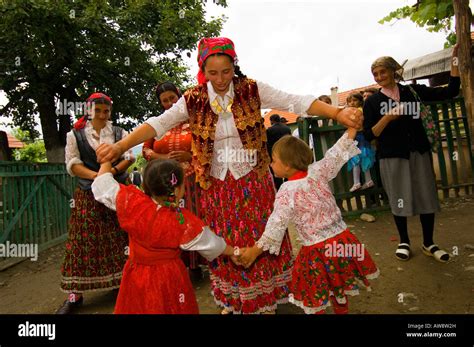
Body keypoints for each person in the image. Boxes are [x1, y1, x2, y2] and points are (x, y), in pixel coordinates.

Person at [96, 37, 363, 314]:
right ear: (203, 70)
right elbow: (157, 124)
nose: (221, 79)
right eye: (213, 73)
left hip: (254, 181)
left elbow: (294, 101)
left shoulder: (252, 89)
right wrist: (119, 146)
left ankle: (270, 295)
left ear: (234, 66)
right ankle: (237, 298)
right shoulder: (192, 99)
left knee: (264, 232)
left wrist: (337, 111)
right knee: (226, 240)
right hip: (216, 186)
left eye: (226, 71)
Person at [238, 129, 379, 314]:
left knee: (316, 293)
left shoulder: (286, 191)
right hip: (342, 241)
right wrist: (352, 130)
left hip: (316, 251)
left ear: (287, 165)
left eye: (273, 160)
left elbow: (276, 225)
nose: (271, 164)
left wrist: (254, 251)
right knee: (339, 284)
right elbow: (336, 154)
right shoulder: (318, 171)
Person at [92, 159, 237, 313]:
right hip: (169, 278)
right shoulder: (182, 221)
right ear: (177, 190)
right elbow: (211, 243)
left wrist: (105, 161)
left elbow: (103, 185)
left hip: (136, 275)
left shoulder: (133, 203)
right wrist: (234, 252)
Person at [363, 47, 460, 262]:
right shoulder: (371, 102)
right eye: (375, 74)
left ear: (394, 71)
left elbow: (451, 91)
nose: (379, 77)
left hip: (419, 152)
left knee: (426, 195)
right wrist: (387, 118)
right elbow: (369, 134)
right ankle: (404, 241)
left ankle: (429, 243)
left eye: (382, 72)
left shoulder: (413, 92)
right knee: (399, 198)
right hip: (391, 156)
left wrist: (455, 61)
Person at [57, 92, 134, 314]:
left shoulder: (119, 133)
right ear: (88, 111)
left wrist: (112, 172)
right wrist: (97, 177)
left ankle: (120, 284)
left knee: (120, 237)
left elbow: (129, 156)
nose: (101, 115)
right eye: (97, 110)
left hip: (117, 190)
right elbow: (72, 164)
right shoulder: (75, 135)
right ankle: (74, 296)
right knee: (80, 242)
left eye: (105, 111)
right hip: (87, 193)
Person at [142, 81, 204, 277]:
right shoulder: (157, 123)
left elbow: (207, 147)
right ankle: (173, 263)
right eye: (164, 100)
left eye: (172, 98)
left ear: (179, 97)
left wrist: (190, 157)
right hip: (163, 183)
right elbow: (145, 149)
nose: (169, 103)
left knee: (191, 220)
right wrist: (163, 158)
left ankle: (195, 265)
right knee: (169, 222)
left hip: (191, 182)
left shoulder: (195, 120)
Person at [346, 92, 375, 192]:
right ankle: (368, 180)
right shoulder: (359, 110)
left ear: (360, 101)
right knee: (364, 158)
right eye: (349, 101)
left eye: (355, 100)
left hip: (359, 137)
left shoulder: (358, 111)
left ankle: (357, 182)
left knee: (356, 159)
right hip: (361, 137)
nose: (352, 103)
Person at [266, 114, 291, 190]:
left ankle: (279, 188)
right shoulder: (287, 128)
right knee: (288, 169)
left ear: (272, 121)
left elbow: (267, 143)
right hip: (286, 152)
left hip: (274, 154)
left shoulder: (269, 130)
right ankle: (288, 185)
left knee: (276, 173)